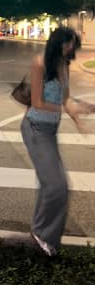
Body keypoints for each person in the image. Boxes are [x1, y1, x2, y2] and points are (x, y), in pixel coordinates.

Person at [21, 27, 95, 257]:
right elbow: (37, 102)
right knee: (56, 186)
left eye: (73, 46)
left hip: (50, 131)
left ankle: (42, 235)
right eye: (67, 44)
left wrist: (79, 113)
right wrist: (70, 108)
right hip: (35, 129)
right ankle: (42, 235)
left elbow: (66, 99)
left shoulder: (63, 65)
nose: (70, 49)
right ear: (57, 43)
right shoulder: (39, 63)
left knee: (53, 184)